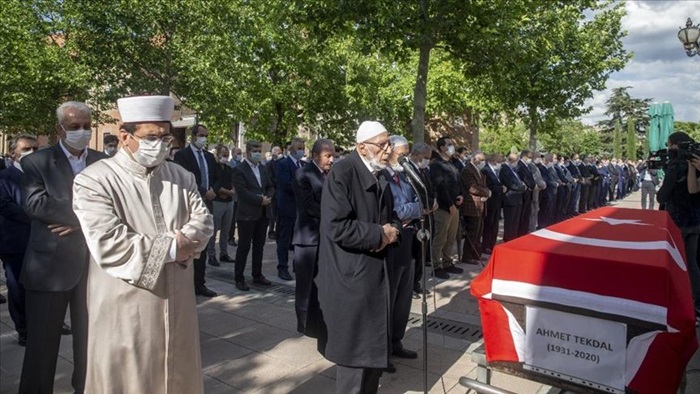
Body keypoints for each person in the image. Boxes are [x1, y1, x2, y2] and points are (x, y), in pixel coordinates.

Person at [72, 95, 213, 393]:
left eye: (166, 137)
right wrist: (174, 247)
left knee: (179, 378)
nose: (161, 144)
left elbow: (204, 223)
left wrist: (183, 241)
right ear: (125, 136)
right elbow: (110, 244)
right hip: (126, 306)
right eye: (151, 137)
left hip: (179, 304)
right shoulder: (94, 180)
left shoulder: (181, 176)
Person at [20, 101, 107, 393]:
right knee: (41, 348)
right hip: (49, 268)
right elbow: (34, 204)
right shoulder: (36, 162)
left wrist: (81, 223)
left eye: (86, 126)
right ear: (59, 129)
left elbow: (114, 206)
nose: (81, 132)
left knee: (90, 343)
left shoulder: (102, 161)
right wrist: (87, 214)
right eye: (74, 127)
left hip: (94, 267)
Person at [316, 121, 400, 393]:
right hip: (351, 277)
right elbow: (336, 226)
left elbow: (391, 218)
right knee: (355, 357)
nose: (388, 149)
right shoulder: (342, 173)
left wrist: (392, 231)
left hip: (376, 275)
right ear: (362, 147)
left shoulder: (381, 174)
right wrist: (378, 235)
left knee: (372, 359)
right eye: (382, 144)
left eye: (389, 143)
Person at [384, 135, 420, 369]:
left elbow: (418, 199)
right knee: (389, 297)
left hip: (409, 239)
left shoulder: (405, 176)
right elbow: (397, 209)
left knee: (404, 297)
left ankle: (397, 340)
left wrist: (415, 208)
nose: (405, 157)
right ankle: (383, 348)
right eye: (402, 153)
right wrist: (416, 209)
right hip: (392, 243)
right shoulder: (383, 177)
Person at [292, 139, 334, 335]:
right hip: (307, 239)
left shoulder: (329, 174)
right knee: (305, 284)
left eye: (333, 155)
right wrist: (334, 216)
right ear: (317, 155)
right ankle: (304, 323)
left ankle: (319, 321)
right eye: (328, 156)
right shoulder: (304, 174)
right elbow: (308, 206)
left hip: (325, 237)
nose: (331, 159)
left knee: (322, 283)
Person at [0, 134, 39, 346]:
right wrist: (37, 218)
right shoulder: (4, 177)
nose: (31, 152)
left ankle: (47, 323)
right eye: (26, 149)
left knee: (45, 286)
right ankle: (23, 328)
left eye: (35, 148)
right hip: (15, 242)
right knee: (17, 287)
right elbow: (5, 205)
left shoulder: (44, 176)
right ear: (14, 152)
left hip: (43, 242)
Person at [173, 124, 218, 297]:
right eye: (201, 135)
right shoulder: (182, 155)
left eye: (206, 135)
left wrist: (214, 189)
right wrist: (202, 191)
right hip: (190, 203)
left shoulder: (209, 157)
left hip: (209, 202)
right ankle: (186, 284)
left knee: (204, 243)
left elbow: (216, 177)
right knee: (188, 241)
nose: (204, 139)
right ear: (193, 136)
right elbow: (183, 178)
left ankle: (200, 283)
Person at [661, 132, 700, 324]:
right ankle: (696, 304)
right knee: (691, 263)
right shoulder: (693, 164)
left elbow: (662, 196)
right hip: (694, 221)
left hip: (679, 220)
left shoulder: (676, 166)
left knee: (676, 262)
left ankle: (678, 302)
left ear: (674, 146)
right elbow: (693, 189)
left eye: (669, 146)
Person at [231, 140, 274, 291]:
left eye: (259, 150)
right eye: (255, 150)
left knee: (259, 246)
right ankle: (239, 278)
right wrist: (259, 200)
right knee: (243, 247)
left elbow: (269, 185)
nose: (258, 153)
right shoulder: (240, 169)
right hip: (247, 215)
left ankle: (257, 275)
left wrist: (268, 197)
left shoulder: (262, 168)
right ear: (248, 152)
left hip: (263, 213)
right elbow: (242, 192)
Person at [430, 136, 464, 279]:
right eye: (449, 144)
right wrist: (450, 204)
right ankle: (436, 266)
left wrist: (461, 195)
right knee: (440, 238)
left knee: (451, 237)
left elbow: (458, 181)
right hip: (444, 207)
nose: (452, 147)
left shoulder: (452, 163)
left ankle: (447, 262)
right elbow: (440, 186)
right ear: (442, 148)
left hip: (455, 206)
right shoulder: (436, 165)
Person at [275, 137, 306, 281]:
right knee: (284, 240)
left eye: (303, 148)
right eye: (299, 148)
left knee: (299, 239)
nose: (301, 151)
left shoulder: (304, 165)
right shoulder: (283, 164)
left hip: (301, 209)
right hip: (287, 208)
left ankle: (298, 265)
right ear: (292, 149)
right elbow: (287, 184)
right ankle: (282, 268)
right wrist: (304, 187)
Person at [408, 143, 436, 295]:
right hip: (418, 216)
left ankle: (417, 282)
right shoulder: (409, 170)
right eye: (425, 157)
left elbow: (430, 188)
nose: (427, 161)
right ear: (416, 154)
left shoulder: (424, 169)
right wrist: (424, 206)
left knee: (422, 251)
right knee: (415, 252)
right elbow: (415, 191)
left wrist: (434, 201)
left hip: (428, 213)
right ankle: (411, 284)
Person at [459, 151, 490, 264]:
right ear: (473, 159)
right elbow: (473, 188)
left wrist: (486, 193)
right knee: (472, 232)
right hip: (471, 205)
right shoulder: (468, 170)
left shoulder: (479, 171)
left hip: (480, 205)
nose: (482, 162)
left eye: (483, 159)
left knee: (478, 232)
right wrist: (487, 193)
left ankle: (476, 254)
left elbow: (483, 186)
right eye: (480, 159)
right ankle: (467, 256)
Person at [207, 145, 236, 263]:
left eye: (227, 155)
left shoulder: (229, 169)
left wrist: (232, 192)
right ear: (217, 154)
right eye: (223, 155)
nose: (225, 157)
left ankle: (224, 253)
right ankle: (211, 255)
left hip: (229, 202)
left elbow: (234, 182)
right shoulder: (213, 168)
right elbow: (214, 184)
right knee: (213, 231)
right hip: (217, 202)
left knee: (226, 230)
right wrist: (225, 192)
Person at [500, 153, 525, 242]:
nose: (516, 163)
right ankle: (508, 239)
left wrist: (522, 186)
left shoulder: (513, 169)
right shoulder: (504, 169)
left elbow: (518, 181)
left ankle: (513, 238)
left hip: (517, 198)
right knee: (510, 222)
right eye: (515, 161)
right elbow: (510, 183)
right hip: (510, 198)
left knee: (515, 221)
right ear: (510, 160)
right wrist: (521, 188)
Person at [481, 153, 504, 253]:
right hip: (490, 202)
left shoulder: (496, 171)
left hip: (497, 202)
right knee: (488, 225)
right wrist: (500, 189)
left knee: (495, 225)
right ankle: (486, 246)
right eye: (499, 162)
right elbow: (488, 186)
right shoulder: (486, 170)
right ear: (494, 161)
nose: (500, 164)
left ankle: (492, 244)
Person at [516, 150, 536, 236]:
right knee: (522, 215)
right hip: (524, 194)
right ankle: (521, 232)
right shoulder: (520, 166)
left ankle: (524, 231)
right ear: (524, 156)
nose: (530, 159)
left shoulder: (527, 166)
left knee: (526, 214)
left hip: (529, 194)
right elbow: (525, 179)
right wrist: (531, 185)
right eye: (529, 157)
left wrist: (533, 185)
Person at [227, 147, 243, 246]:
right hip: (233, 195)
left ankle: (242, 237)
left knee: (240, 218)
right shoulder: (229, 165)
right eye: (238, 153)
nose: (239, 155)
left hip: (241, 196)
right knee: (232, 219)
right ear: (233, 154)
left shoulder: (242, 165)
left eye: (240, 153)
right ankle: (230, 237)